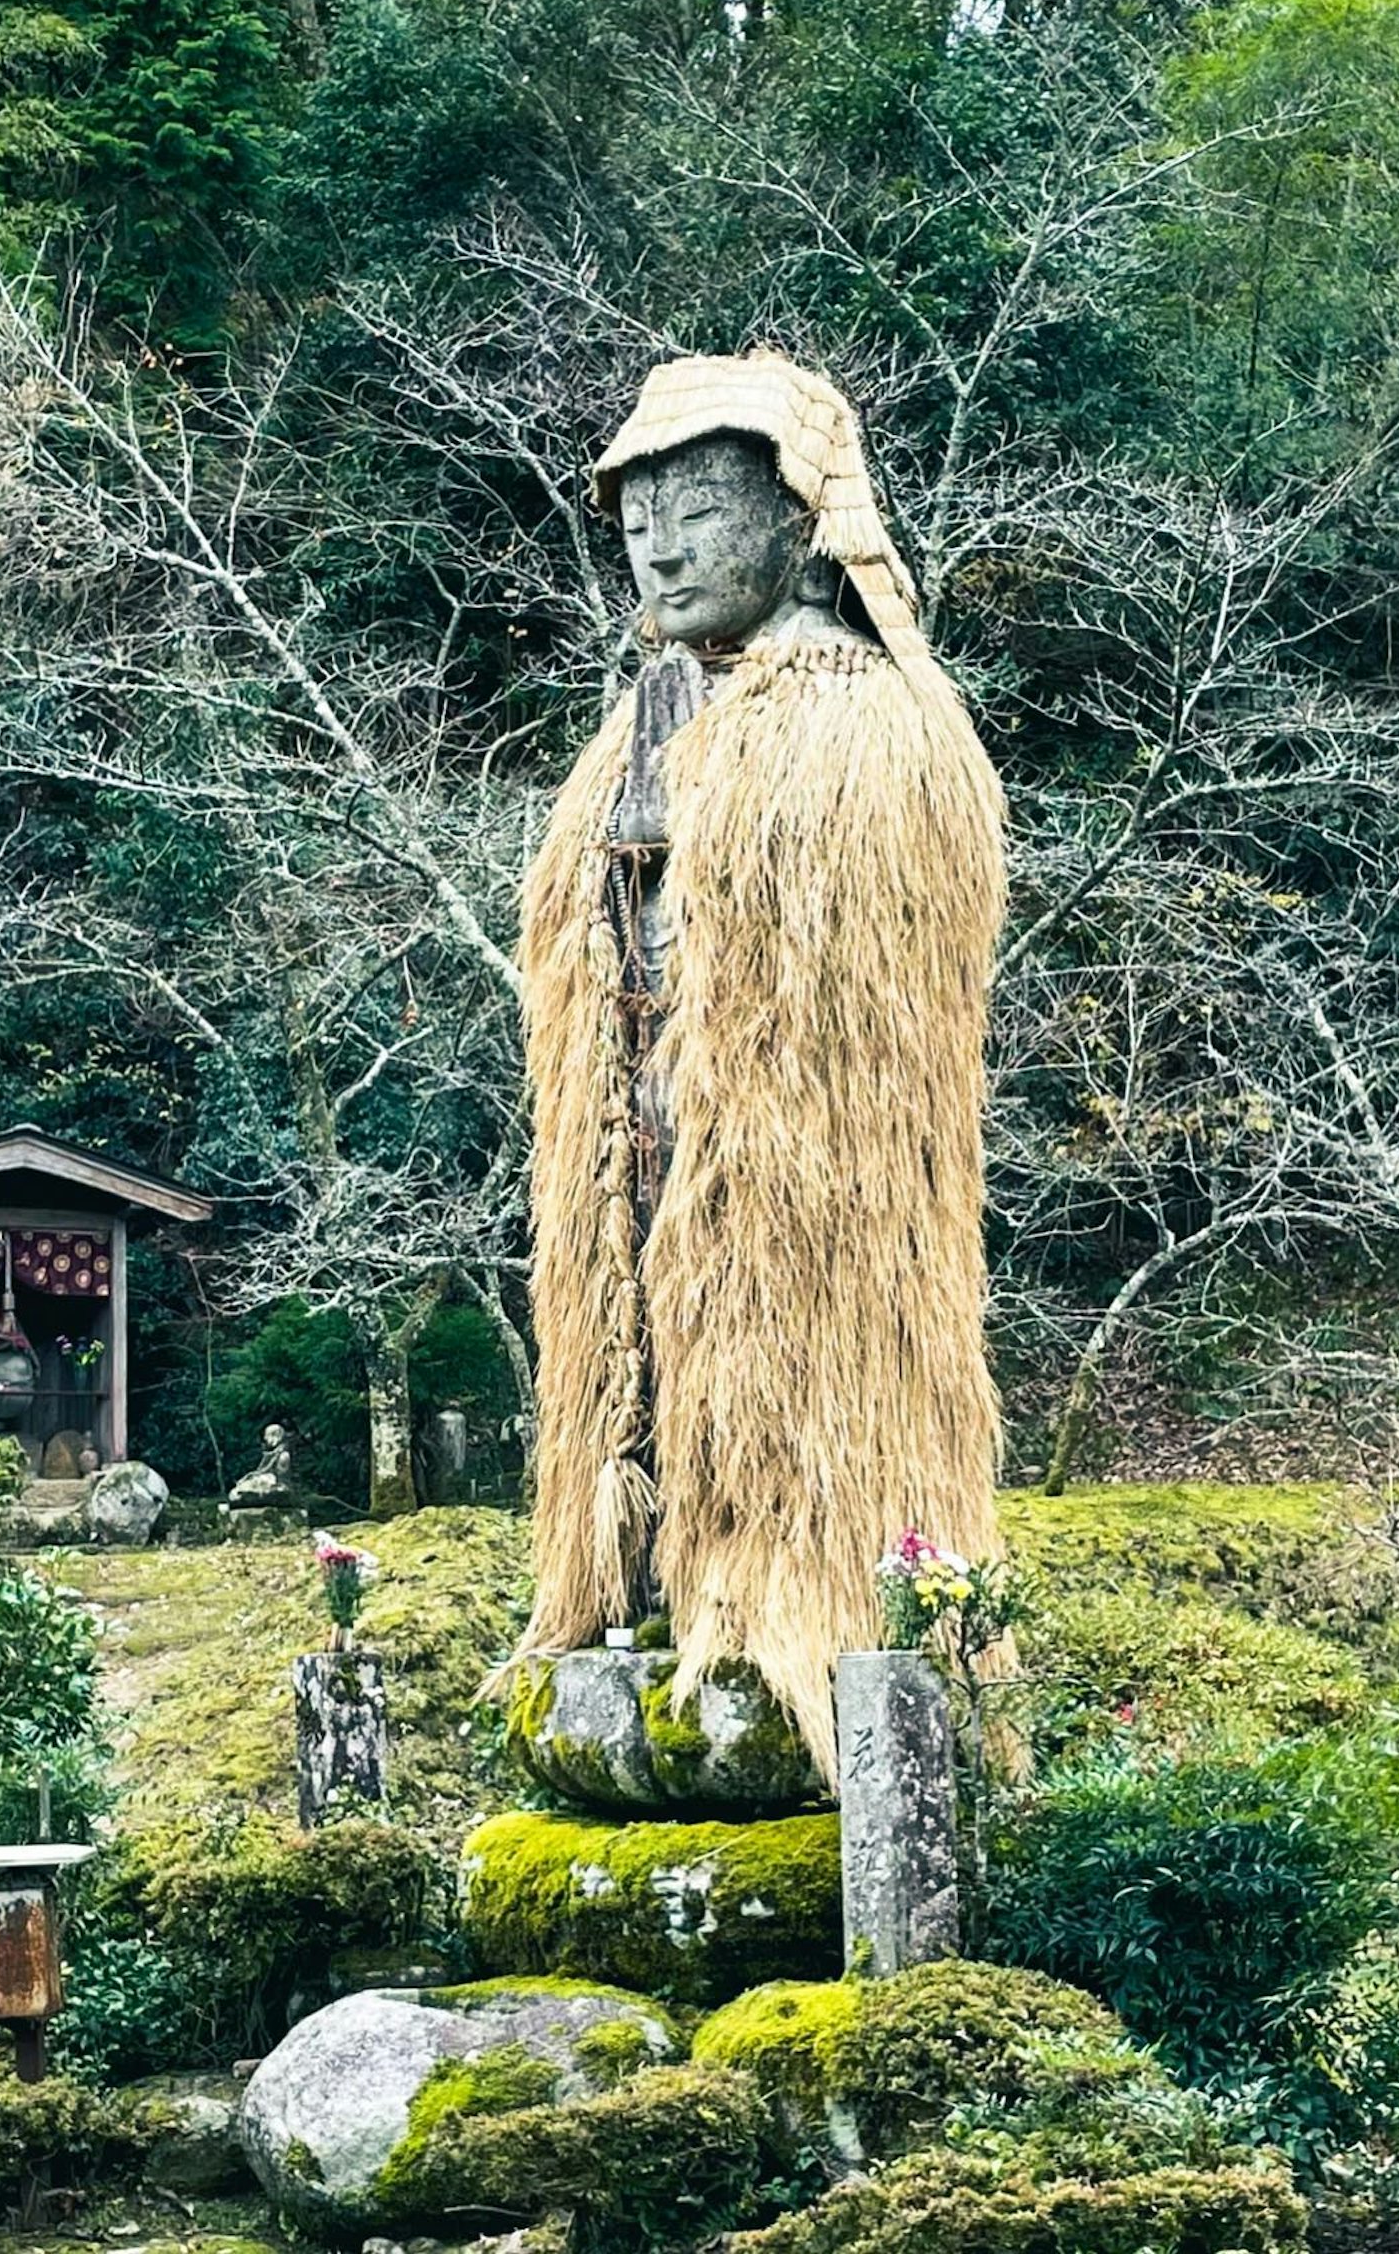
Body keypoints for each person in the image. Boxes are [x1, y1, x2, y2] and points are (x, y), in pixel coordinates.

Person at [512, 350, 1006, 1775]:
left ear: (802, 517)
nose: (661, 549)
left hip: (798, 1172)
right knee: (637, 1372)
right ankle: (636, 1591)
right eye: (636, 520)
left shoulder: (870, 717)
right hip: (635, 1128)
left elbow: (879, 983)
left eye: (700, 511)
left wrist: (743, 1055)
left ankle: (798, 1613)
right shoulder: (634, 726)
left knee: (785, 1380)